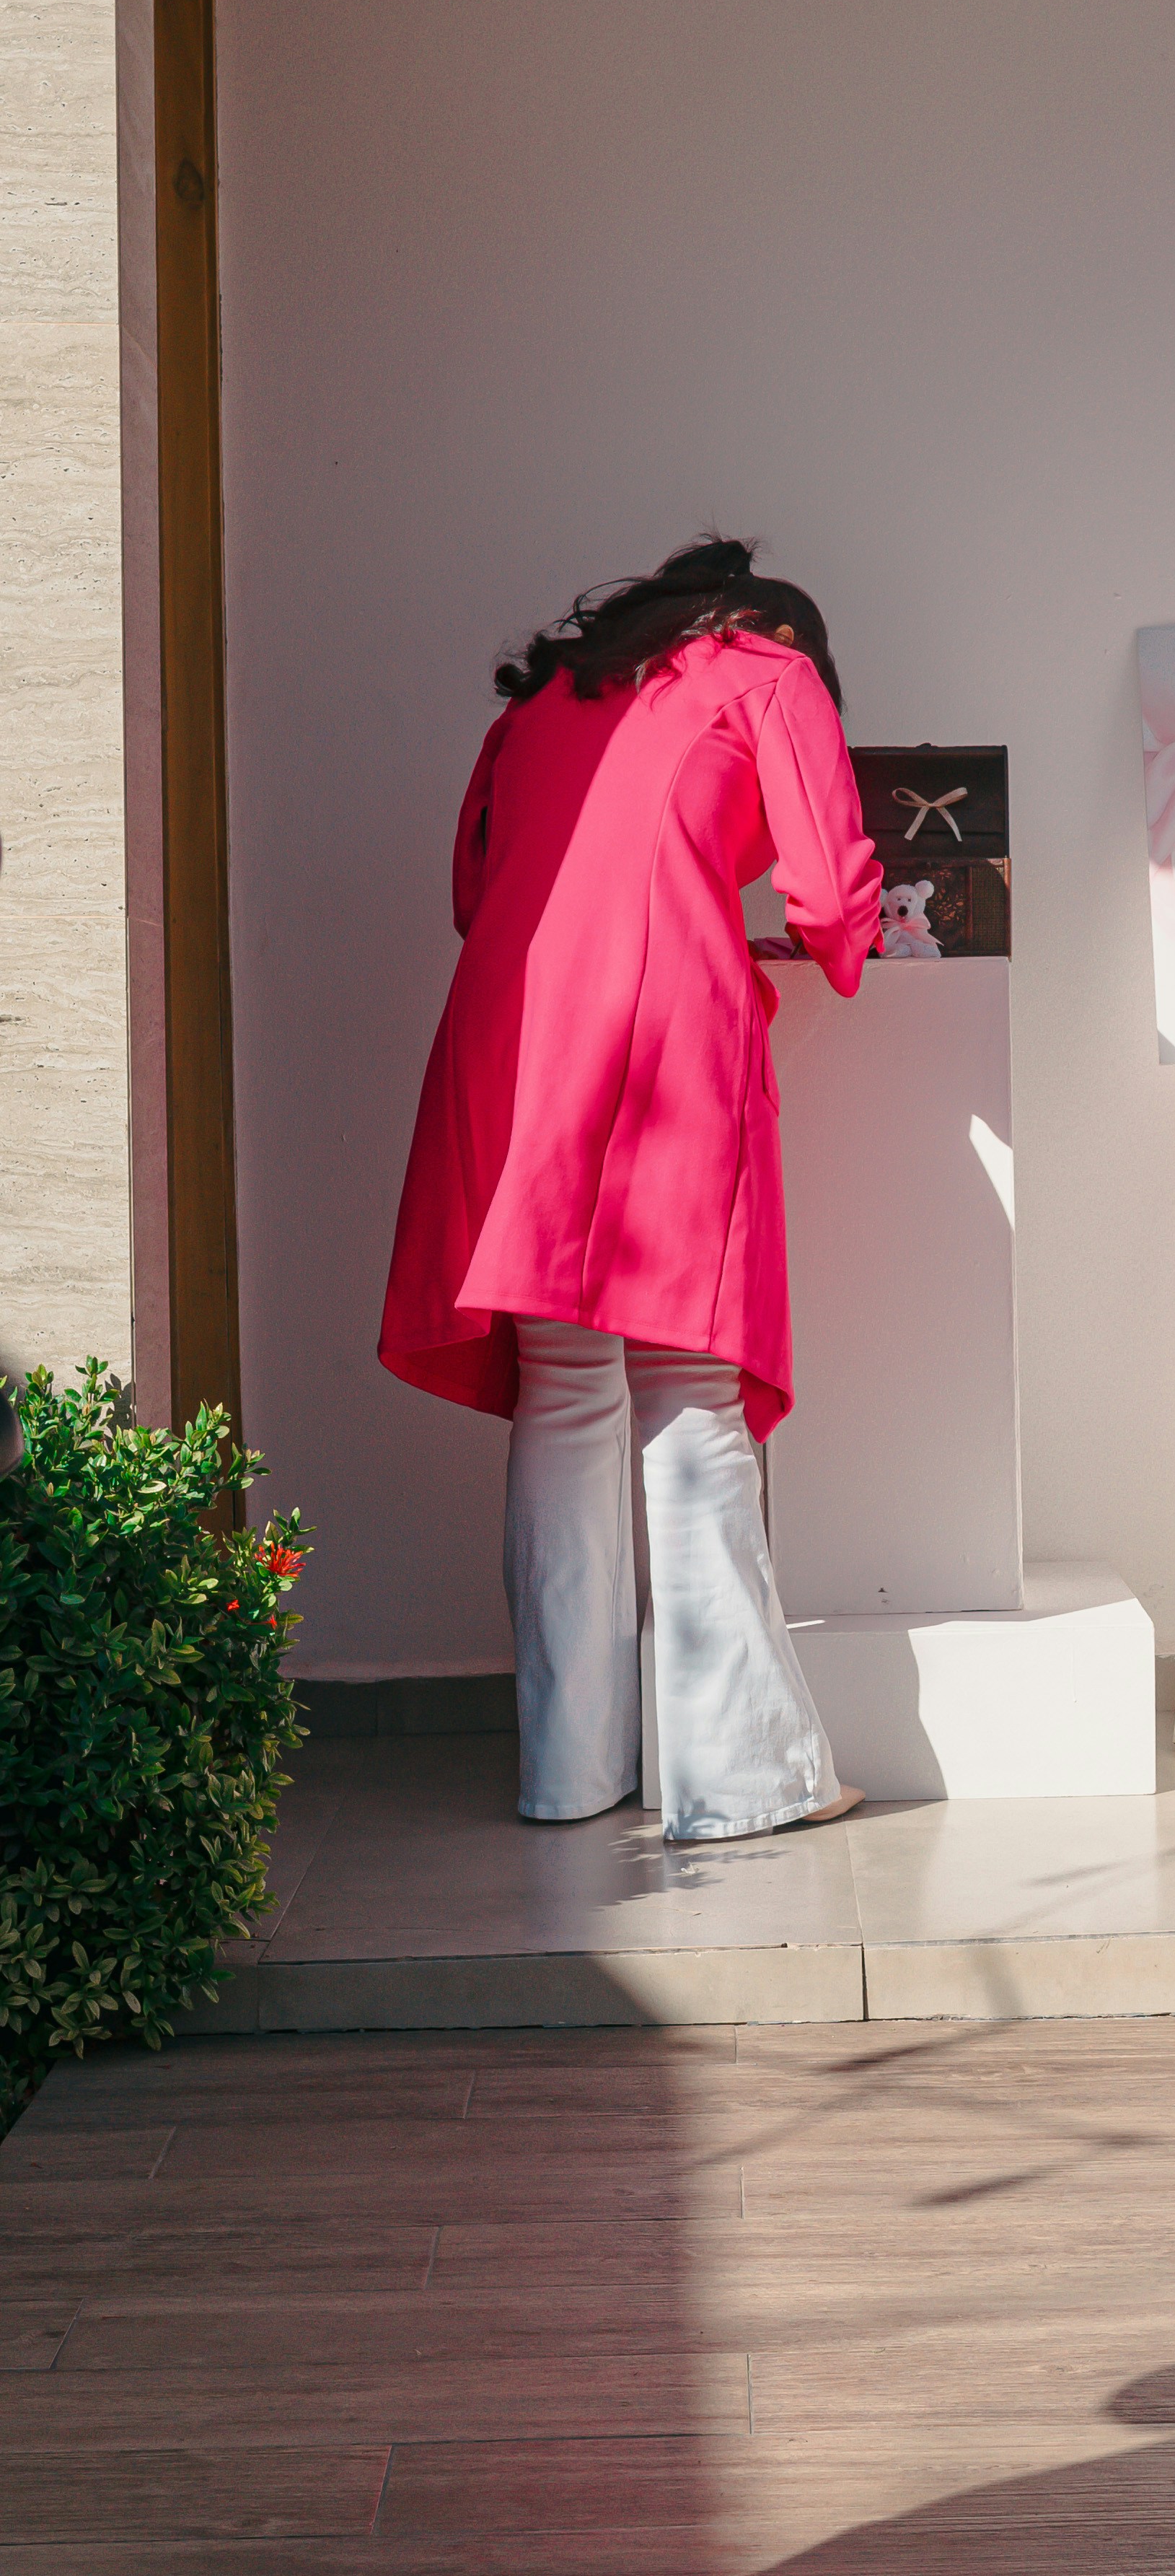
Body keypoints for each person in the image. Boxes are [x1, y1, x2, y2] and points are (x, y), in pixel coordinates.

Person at [379, 536, 883, 1841]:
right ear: (780, 630)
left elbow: (470, 891)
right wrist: (824, 938)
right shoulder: (772, 675)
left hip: (512, 1032)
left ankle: (566, 1770)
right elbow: (833, 900)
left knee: (560, 1394)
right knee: (687, 1389)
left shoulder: (545, 700)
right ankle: (739, 1777)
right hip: (661, 1029)